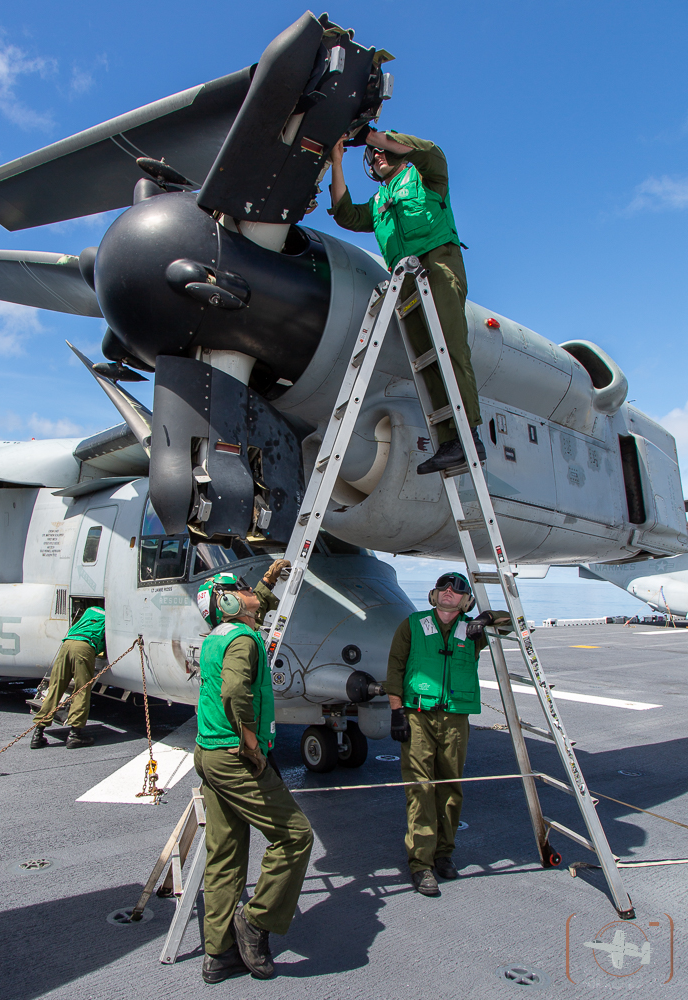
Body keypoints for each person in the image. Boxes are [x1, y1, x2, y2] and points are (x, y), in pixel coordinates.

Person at [329, 129, 485, 475]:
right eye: (372, 157)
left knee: (449, 347)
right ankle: (449, 442)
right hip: (406, 281)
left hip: (437, 265)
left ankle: (468, 436)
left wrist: (367, 134)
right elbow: (345, 215)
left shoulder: (427, 174)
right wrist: (337, 161)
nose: (378, 157)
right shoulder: (378, 201)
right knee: (426, 359)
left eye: (382, 152)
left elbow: (426, 151)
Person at [194, 558, 313, 984]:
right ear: (227, 602)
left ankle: (219, 954)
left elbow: (251, 606)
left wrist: (266, 580)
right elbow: (234, 692)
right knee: (295, 835)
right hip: (234, 755)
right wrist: (251, 744)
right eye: (240, 588)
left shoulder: (218, 635)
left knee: (224, 854)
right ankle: (256, 921)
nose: (251, 594)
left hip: (208, 752)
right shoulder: (243, 640)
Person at [385, 572, 510, 896]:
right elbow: (395, 668)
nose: (449, 591)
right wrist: (397, 711)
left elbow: (510, 622)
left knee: (451, 788)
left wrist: (485, 618)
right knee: (420, 789)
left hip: (455, 718)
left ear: (465, 600)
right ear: (434, 594)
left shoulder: (473, 631)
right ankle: (421, 864)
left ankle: (444, 854)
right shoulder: (412, 624)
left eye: (457, 589)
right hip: (417, 716)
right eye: (443, 587)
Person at [30, 605, 106, 750]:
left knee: (55, 687)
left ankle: (37, 734)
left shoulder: (90, 610)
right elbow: (103, 643)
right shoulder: (108, 618)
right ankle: (74, 735)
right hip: (84, 646)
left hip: (67, 643)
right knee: (82, 690)